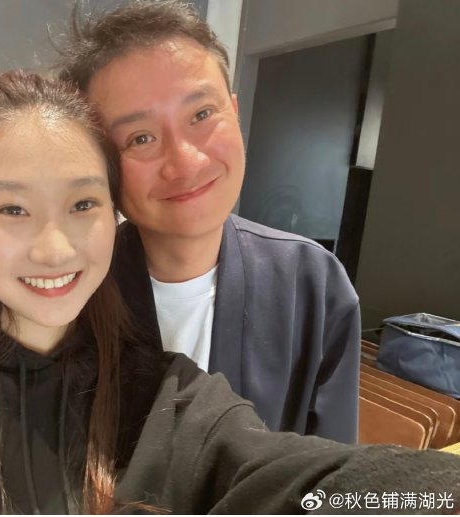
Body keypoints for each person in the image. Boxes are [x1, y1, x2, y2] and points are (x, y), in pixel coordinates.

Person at [0, 71, 459, 516]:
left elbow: (318, 486)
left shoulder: (168, 402)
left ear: (113, 214)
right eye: (11, 209)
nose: (54, 247)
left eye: (83, 204)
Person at [56, 0, 361, 443]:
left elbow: (330, 470)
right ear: (100, 163)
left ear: (233, 111)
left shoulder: (312, 283)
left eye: (201, 115)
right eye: (140, 138)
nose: (185, 162)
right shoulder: (72, 293)